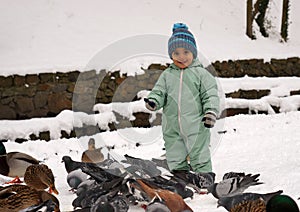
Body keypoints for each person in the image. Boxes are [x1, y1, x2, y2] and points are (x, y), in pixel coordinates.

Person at [144, 23, 220, 175]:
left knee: (199, 152)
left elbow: (210, 94)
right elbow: (159, 91)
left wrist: (210, 112)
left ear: (193, 53)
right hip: (172, 125)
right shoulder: (167, 75)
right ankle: (181, 176)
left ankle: (204, 176)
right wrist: (154, 101)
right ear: (171, 55)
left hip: (196, 124)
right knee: (174, 153)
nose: (181, 57)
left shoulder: (201, 74)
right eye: (176, 53)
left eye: (186, 52)